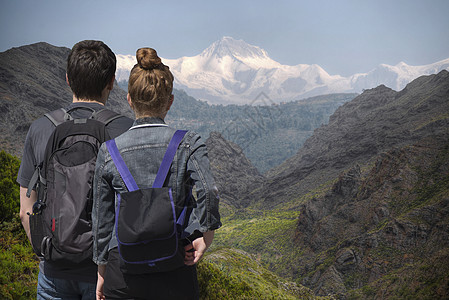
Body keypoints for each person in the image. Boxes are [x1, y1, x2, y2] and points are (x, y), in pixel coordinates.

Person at [92, 47, 221, 300]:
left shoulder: (108, 152)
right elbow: (209, 189)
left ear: (129, 99)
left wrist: (101, 271)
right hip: (174, 268)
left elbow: (102, 220)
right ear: (170, 101)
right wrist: (207, 236)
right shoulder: (188, 143)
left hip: (123, 273)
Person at [17, 40, 133, 299]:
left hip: (54, 272)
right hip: (109, 273)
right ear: (111, 82)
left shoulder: (41, 128)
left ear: (68, 79)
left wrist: (48, 253)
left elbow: (26, 211)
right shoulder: (126, 130)